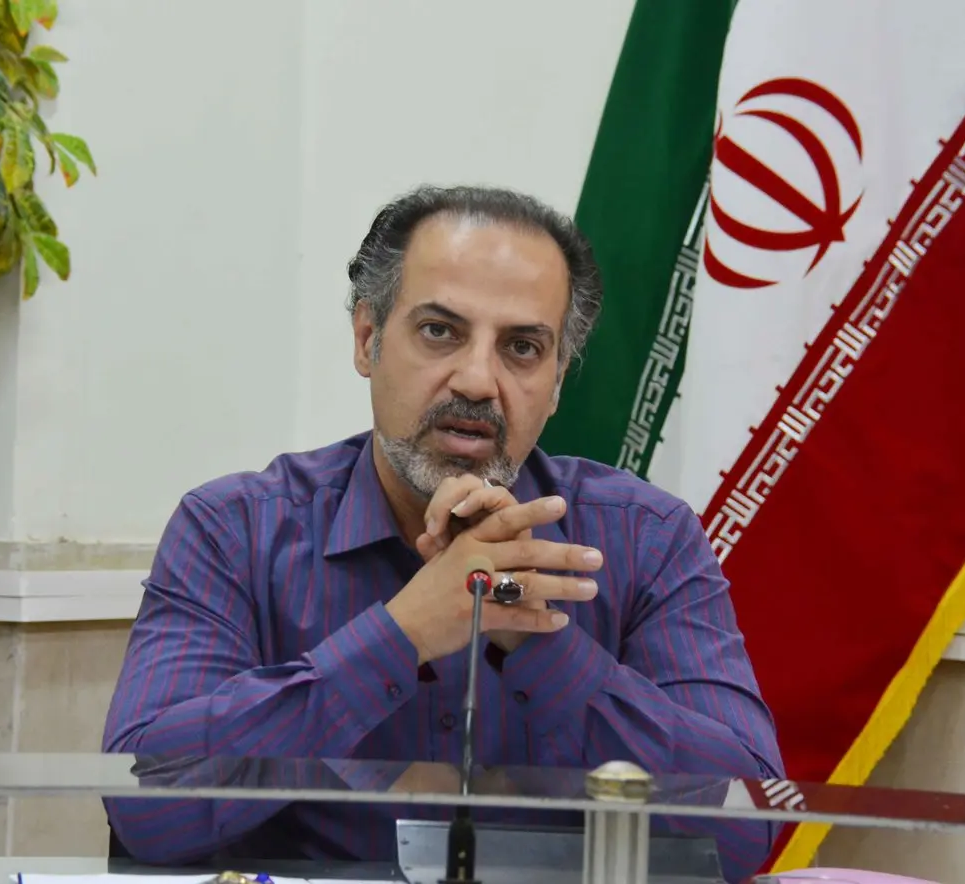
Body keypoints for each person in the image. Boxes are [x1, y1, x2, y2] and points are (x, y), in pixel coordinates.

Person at [101, 185, 785, 881]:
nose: (478, 380)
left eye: (523, 347)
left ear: (556, 383)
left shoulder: (646, 538)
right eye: (439, 332)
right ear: (367, 340)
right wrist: (405, 632)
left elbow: (743, 830)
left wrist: (525, 627)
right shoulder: (235, 529)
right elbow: (147, 810)